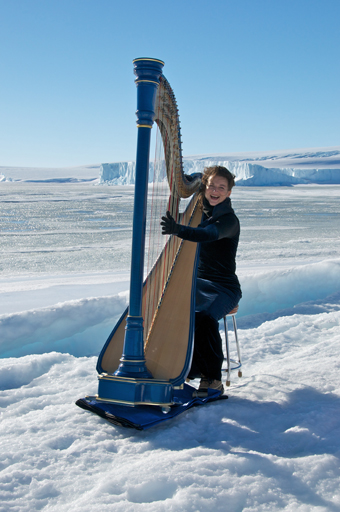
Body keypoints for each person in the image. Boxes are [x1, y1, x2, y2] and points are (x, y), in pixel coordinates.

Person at [161, 166, 242, 397]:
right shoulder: (200, 212)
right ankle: (179, 366)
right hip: (197, 282)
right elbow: (193, 182)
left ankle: (212, 378)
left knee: (203, 317)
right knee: (168, 308)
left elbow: (207, 234)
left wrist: (179, 230)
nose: (215, 191)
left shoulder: (228, 220)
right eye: (211, 186)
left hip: (223, 287)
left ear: (228, 193)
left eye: (221, 188)